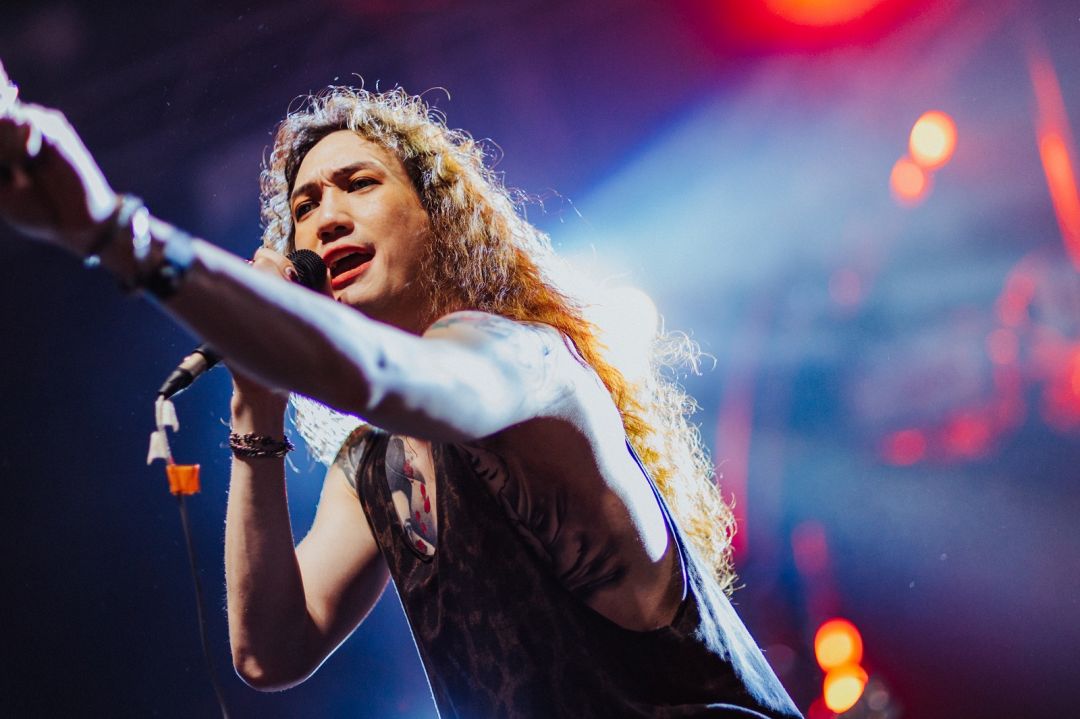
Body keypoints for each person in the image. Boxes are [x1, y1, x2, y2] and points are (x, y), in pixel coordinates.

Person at [0, 61, 802, 718]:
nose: (325, 219)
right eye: (305, 205)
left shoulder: (527, 360)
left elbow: (385, 377)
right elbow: (269, 650)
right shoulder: (375, 465)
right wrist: (257, 402)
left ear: (437, 218)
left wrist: (117, 232)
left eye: (358, 183)